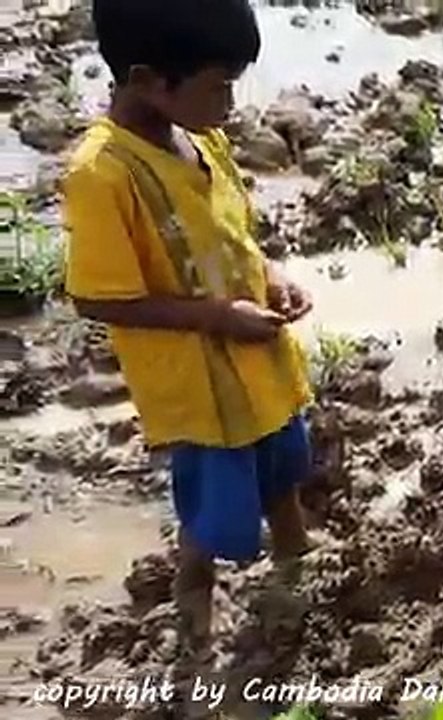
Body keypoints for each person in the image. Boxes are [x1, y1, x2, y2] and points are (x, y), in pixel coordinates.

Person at [63, 0, 314, 667]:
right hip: (199, 388)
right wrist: (216, 317)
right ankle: (193, 591)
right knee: (214, 503)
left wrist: (273, 277)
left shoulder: (202, 141)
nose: (230, 103)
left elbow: (234, 236)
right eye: (219, 87)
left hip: (258, 356)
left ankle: (297, 554)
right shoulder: (103, 174)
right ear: (148, 80)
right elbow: (95, 295)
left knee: (283, 460)